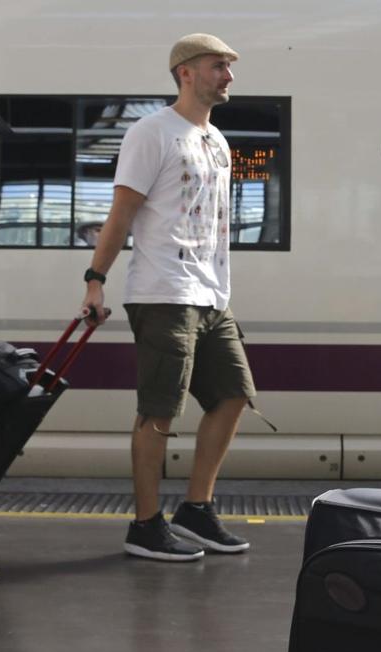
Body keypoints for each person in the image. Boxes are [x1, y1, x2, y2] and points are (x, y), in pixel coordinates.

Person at [79, 33, 254, 561]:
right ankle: (145, 524)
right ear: (185, 72)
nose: (228, 76)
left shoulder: (218, 142)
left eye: (229, 67)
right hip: (162, 292)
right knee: (159, 410)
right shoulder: (150, 132)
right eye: (218, 66)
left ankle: (196, 509)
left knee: (234, 394)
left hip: (210, 295)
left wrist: (220, 289)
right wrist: (95, 278)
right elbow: (123, 213)